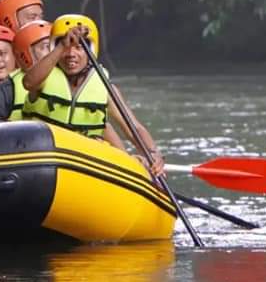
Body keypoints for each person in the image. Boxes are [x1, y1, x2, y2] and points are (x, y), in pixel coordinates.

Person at [22, 14, 165, 174]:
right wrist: (62, 46)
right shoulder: (44, 76)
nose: (71, 54)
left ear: (91, 49)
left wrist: (153, 153)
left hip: (86, 165)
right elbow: (28, 82)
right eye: (66, 46)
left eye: (79, 47)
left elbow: (134, 127)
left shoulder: (105, 87)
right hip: (43, 160)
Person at [0, 19, 53, 123]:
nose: (53, 51)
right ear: (26, 53)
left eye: (55, 45)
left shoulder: (73, 78)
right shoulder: (8, 87)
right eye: (46, 47)